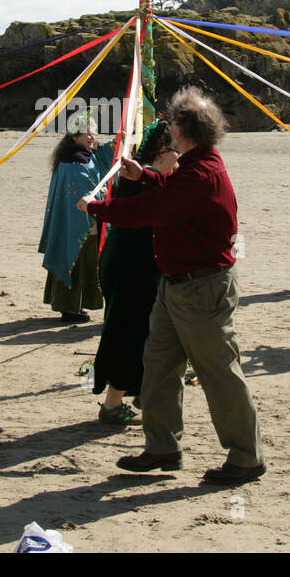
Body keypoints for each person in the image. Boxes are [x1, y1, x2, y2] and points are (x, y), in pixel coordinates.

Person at [80, 88, 265, 485]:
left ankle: (246, 455)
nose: (168, 132)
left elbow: (157, 210)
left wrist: (98, 208)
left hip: (202, 286)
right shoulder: (195, 165)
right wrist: (144, 175)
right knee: (159, 364)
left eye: (173, 125)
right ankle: (162, 445)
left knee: (218, 370)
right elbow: (167, 194)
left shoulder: (201, 171)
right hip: (178, 283)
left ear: (185, 130)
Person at [92, 120, 180, 424]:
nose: (178, 160)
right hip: (133, 264)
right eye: (176, 154)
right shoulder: (146, 177)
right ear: (163, 151)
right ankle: (113, 403)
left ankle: (141, 390)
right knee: (128, 331)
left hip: (125, 258)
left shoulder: (138, 173)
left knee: (143, 330)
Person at [39, 111, 115, 323]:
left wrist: (123, 137)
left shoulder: (91, 156)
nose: (91, 138)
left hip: (90, 221)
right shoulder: (70, 162)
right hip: (75, 223)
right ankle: (68, 307)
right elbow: (80, 190)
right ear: (74, 137)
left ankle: (78, 304)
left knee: (88, 264)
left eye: (92, 134)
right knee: (74, 262)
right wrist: (96, 198)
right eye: (86, 135)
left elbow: (109, 155)